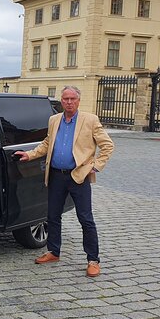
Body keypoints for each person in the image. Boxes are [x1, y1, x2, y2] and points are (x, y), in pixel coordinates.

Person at [14, 85, 114, 277]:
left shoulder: (90, 120)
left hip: (78, 176)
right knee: (52, 216)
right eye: (66, 99)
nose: (69, 102)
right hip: (56, 175)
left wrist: (96, 166)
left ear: (78, 100)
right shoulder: (54, 120)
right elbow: (46, 143)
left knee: (85, 219)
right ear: (62, 101)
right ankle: (53, 251)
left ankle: (93, 260)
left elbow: (107, 146)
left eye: (72, 99)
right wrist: (29, 155)